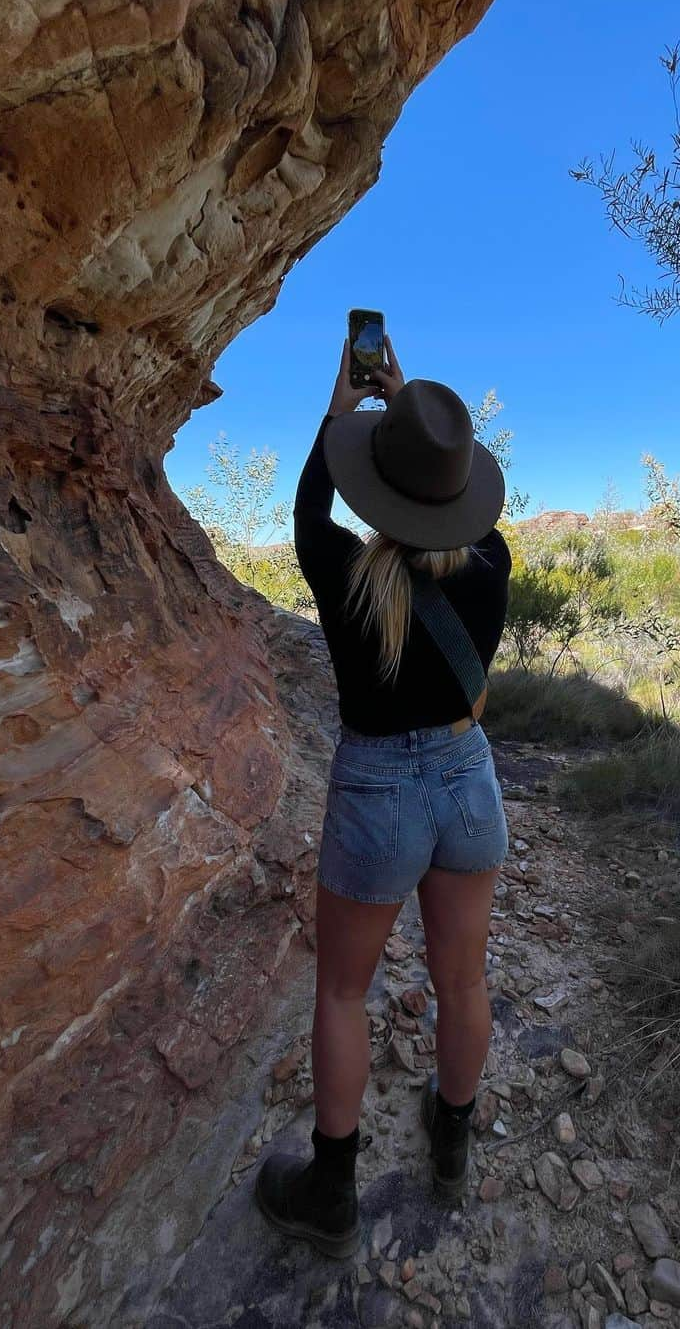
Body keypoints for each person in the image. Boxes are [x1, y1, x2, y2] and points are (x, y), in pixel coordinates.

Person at [254, 334, 512, 1258]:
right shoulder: (495, 567)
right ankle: (451, 1146)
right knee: (464, 979)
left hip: (378, 790)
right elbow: (471, 523)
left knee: (343, 992)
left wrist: (352, 409)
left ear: (383, 484)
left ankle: (332, 1188)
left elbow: (309, 503)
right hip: (467, 773)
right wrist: (413, 421)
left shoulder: (340, 573)